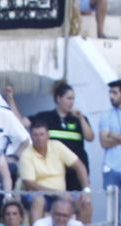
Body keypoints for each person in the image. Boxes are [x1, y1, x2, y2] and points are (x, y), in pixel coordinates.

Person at [34, 80, 95, 210]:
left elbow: (90, 137)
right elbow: (22, 123)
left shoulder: (78, 118)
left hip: (76, 173)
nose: (71, 102)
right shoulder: (45, 117)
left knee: (78, 207)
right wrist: (11, 100)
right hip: (54, 172)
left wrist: (81, 119)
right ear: (58, 98)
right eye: (69, 98)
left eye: (73, 99)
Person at [17, 119, 86, 223]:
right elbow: (30, 185)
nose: (39, 138)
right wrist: (56, 193)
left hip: (60, 194)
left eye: (42, 134)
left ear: (48, 135)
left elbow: (79, 166)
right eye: (35, 135)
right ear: (31, 136)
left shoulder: (57, 146)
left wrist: (86, 190)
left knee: (85, 202)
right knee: (39, 200)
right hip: (36, 194)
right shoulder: (26, 154)